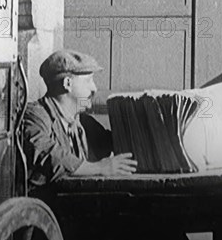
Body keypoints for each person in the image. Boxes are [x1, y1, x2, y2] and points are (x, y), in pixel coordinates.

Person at [23, 49, 137, 188]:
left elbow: (113, 143)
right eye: (88, 80)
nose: (94, 88)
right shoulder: (35, 116)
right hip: (44, 206)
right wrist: (99, 168)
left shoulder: (83, 122)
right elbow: (48, 154)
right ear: (67, 84)